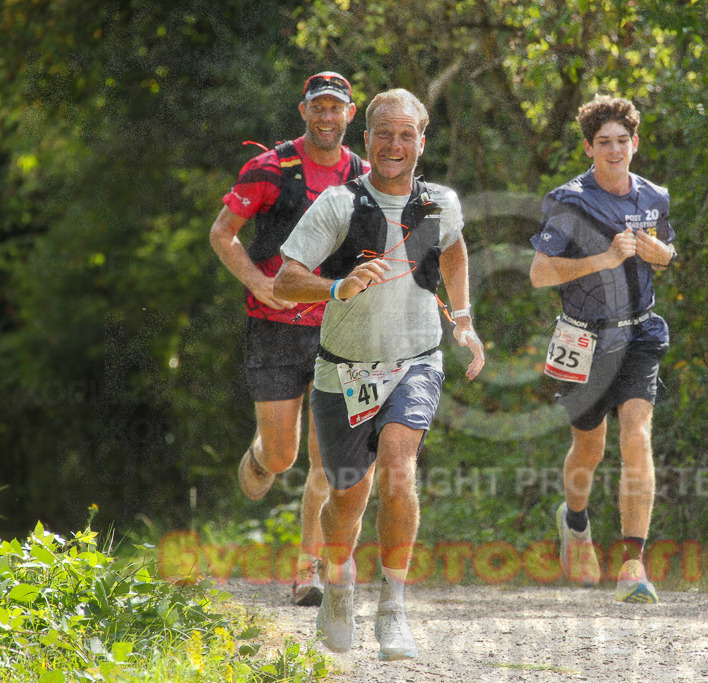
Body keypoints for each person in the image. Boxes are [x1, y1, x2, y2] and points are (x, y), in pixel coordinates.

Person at [274, 88, 485, 660]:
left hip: (416, 360)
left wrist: (462, 322)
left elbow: (456, 250)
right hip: (342, 372)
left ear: (422, 140)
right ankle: (339, 584)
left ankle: (393, 604)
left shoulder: (439, 201)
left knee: (397, 465)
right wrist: (337, 286)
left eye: (406, 133)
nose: (395, 144)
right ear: (367, 140)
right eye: (384, 133)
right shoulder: (339, 205)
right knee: (350, 495)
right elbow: (285, 282)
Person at [209, 71, 369, 607]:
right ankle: (260, 455)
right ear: (303, 112)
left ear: (350, 114)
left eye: (336, 108)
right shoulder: (271, 170)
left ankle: (309, 572)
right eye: (317, 107)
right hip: (274, 327)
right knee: (283, 456)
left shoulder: (365, 177)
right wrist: (257, 281)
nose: (327, 116)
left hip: (337, 329)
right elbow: (222, 233)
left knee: (326, 461)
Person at [529, 95, 676, 604]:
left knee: (636, 434)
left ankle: (633, 563)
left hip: (638, 333)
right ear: (589, 148)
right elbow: (540, 273)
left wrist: (663, 254)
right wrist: (603, 258)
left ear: (635, 145)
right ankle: (575, 524)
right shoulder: (570, 201)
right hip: (584, 337)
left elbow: (665, 249)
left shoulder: (653, 196)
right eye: (603, 143)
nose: (614, 151)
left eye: (622, 141)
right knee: (589, 448)